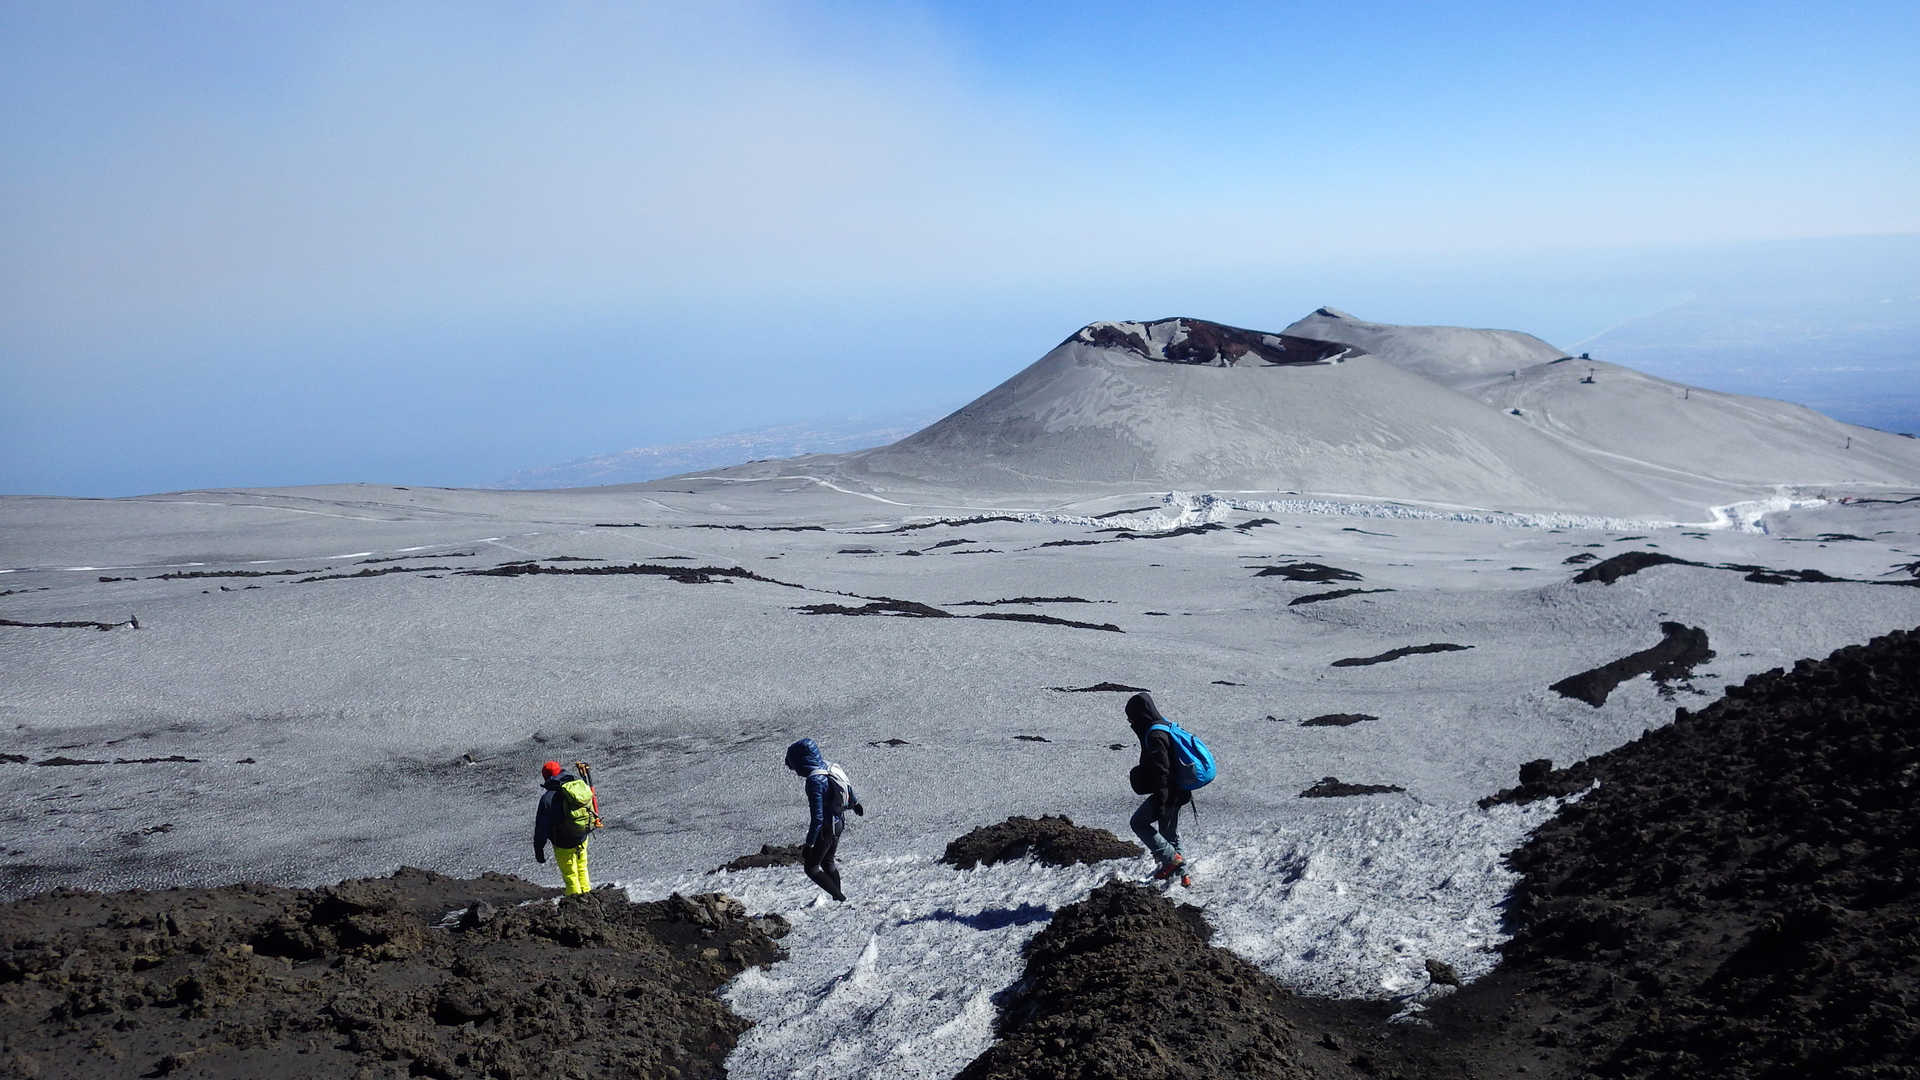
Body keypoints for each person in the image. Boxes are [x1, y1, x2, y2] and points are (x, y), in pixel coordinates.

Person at [1126, 692, 1192, 886]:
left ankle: (1172, 860)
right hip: (1180, 790)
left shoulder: (1155, 736)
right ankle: (1183, 876)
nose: (1130, 721)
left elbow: (1162, 771)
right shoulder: (1164, 726)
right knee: (1169, 833)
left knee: (1138, 823)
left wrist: (1163, 801)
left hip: (1169, 793)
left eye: (1131, 717)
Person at [784, 738, 863, 901]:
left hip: (827, 827)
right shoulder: (828, 766)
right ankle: (838, 899)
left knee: (811, 868)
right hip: (839, 822)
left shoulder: (814, 781)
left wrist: (810, 844)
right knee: (828, 862)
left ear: (801, 762)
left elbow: (817, 818)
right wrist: (855, 804)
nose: (796, 771)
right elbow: (846, 786)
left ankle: (840, 898)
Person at [533, 760, 596, 895]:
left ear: (546, 777)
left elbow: (541, 828)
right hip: (581, 836)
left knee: (570, 875)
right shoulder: (578, 786)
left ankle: (576, 903)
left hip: (563, 843)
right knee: (582, 869)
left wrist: (539, 849)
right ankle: (588, 896)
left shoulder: (547, 799)